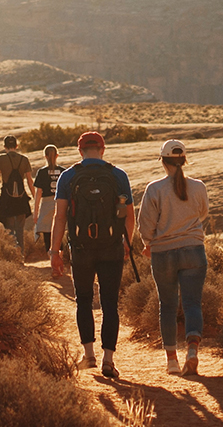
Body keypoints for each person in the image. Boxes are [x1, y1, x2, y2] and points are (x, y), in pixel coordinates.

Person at [49, 131, 135, 379]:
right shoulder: (118, 175)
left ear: (80, 151)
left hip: (81, 248)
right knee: (110, 303)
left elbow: (60, 217)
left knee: (84, 300)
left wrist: (55, 251)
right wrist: (126, 243)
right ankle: (109, 359)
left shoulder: (69, 176)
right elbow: (129, 216)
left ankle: (88, 356)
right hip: (112, 247)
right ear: (103, 149)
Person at [138, 139, 209, 376]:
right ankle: (192, 350)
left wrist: (148, 243)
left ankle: (172, 361)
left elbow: (145, 224)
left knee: (167, 306)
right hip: (194, 250)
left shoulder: (154, 189)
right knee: (192, 303)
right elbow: (202, 213)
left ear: (163, 162)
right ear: (184, 160)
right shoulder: (198, 187)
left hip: (163, 253)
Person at [0, 135, 35, 248]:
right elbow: (30, 181)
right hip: (21, 198)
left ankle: (13, 252)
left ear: (5, 146)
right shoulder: (24, 159)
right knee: (20, 229)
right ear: (16, 146)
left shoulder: (1, 159)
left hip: (7, 199)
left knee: (9, 229)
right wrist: (35, 197)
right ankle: (21, 253)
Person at [33, 144, 67, 253]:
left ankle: (51, 256)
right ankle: (60, 255)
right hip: (61, 202)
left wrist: (36, 212)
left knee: (47, 233)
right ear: (57, 155)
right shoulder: (63, 171)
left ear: (45, 156)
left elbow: (38, 193)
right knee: (59, 231)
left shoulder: (42, 172)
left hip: (46, 204)